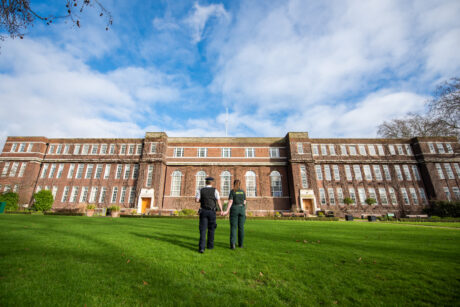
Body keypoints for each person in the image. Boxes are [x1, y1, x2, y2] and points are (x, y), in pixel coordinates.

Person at [195, 176, 223, 253]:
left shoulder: (201, 190)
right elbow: (218, 201)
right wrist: (221, 210)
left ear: (205, 182)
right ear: (212, 183)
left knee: (203, 230)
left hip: (203, 211)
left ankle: (201, 248)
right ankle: (210, 246)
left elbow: (196, 200)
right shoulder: (215, 190)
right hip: (212, 212)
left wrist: (203, 200)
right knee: (211, 229)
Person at [224, 179, 246, 249]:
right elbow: (245, 202)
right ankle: (241, 244)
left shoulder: (232, 191)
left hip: (234, 209)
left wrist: (227, 211)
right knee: (241, 227)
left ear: (233, 184)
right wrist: (243, 209)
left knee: (233, 227)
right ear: (240, 184)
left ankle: (233, 244)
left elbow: (230, 201)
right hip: (242, 209)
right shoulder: (243, 192)